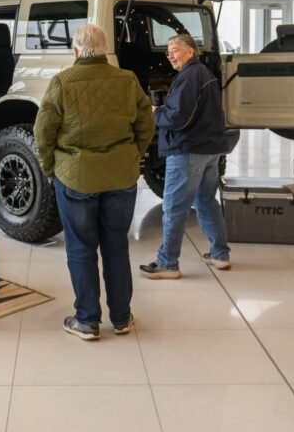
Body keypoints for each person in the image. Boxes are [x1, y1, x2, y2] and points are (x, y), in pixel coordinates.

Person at [34, 24, 155, 340]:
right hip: (121, 176)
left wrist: (50, 169)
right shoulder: (127, 80)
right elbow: (147, 124)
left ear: (76, 50)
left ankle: (87, 320)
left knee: (80, 247)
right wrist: (132, 155)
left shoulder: (62, 82)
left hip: (76, 177)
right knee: (116, 245)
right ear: (105, 50)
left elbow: (43, 133)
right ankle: (121, 318)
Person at [140, 33, 231, 279]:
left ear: (190, 52)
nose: (170, 56)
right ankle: (220, 254)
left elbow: (178, 118)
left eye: (175, 51)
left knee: (174, 207)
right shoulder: (203, 74)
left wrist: (156, 112)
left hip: (188, 150)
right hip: (209, 149)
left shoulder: (190, 76)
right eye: (168, 52)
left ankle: (167, 263)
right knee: (206, 201)